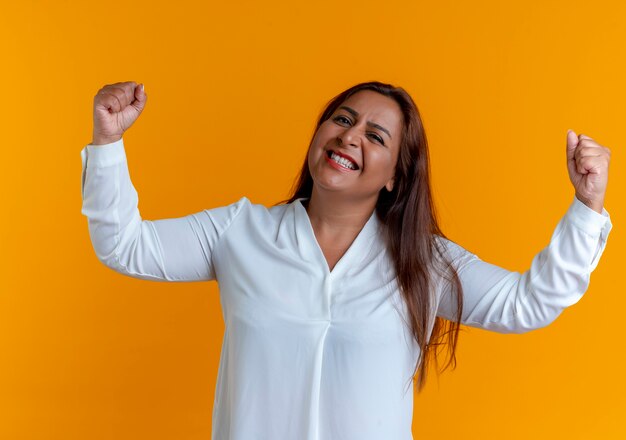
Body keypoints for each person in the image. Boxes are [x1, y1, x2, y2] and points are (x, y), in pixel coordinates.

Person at [80, 80, 613, 440]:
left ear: (395, 177)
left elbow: (529, 303)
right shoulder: (239, 231)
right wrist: (107, 140)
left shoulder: (421, 262)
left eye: (375, 136)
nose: (349, 136)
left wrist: (587, 207)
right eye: (342, 118)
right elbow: (125, 245)